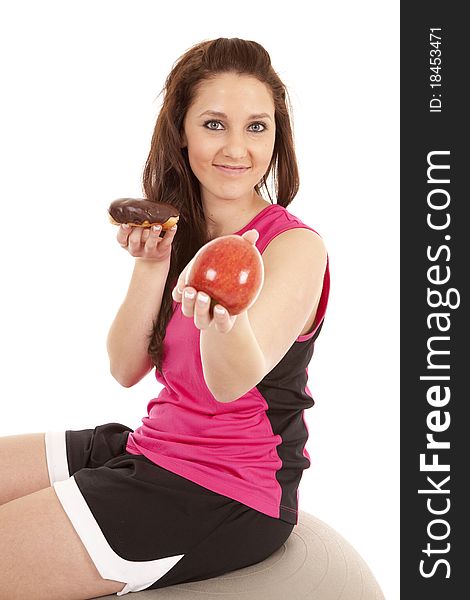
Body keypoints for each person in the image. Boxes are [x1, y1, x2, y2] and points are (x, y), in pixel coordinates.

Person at [0, 37, 330, 598]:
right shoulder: (182, 234)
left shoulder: (294, 247)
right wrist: (152, 265)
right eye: (213, 124)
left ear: (277, 137)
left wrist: (223, 325)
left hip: (227, 487)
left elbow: (232, 384)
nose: (236, 148)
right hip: (151, 446)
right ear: (181, 131)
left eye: (257, 126)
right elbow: (125, 367)